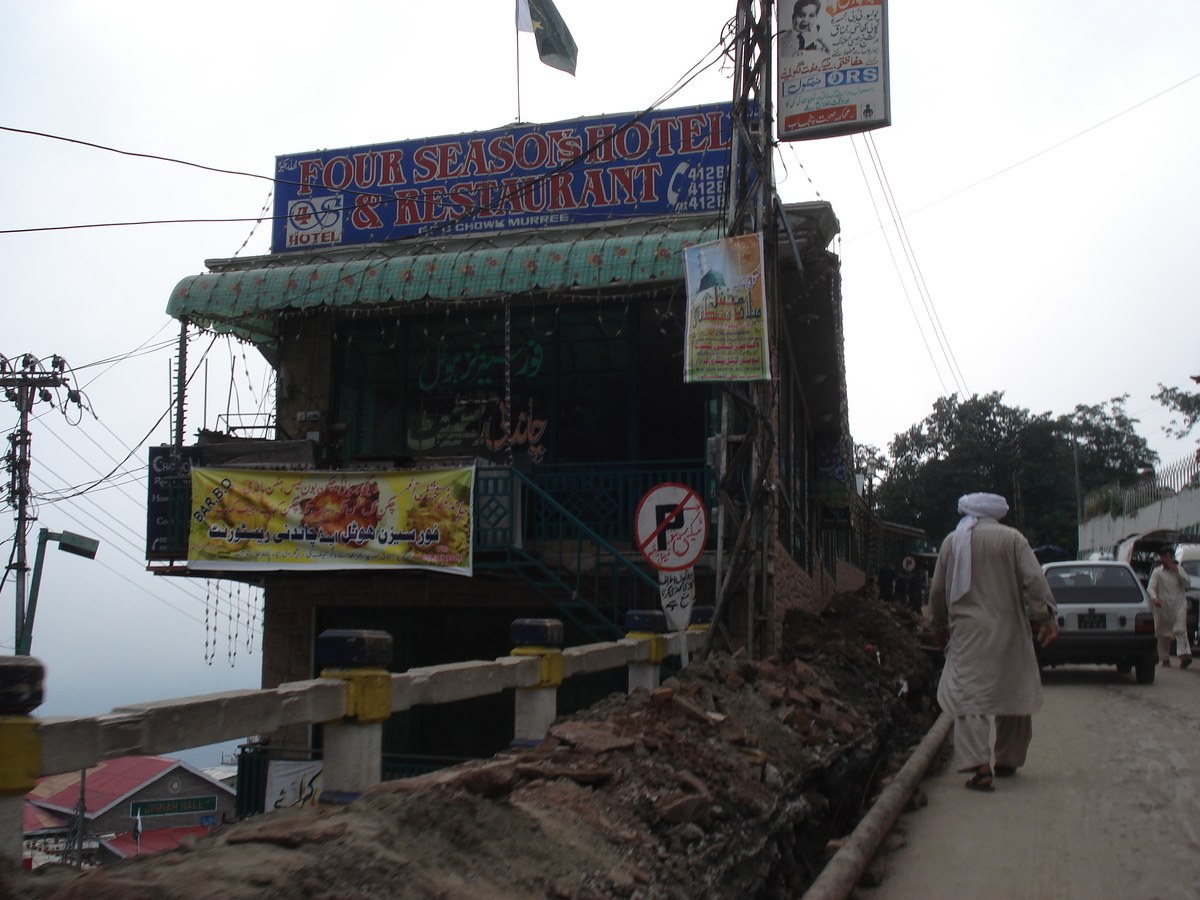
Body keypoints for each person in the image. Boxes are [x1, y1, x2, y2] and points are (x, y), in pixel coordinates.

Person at [929, 493, 1058, 792]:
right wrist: (1046, 617)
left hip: (968, 632)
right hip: (1009, 628)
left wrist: (938, 626)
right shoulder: (1013, 538)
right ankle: (1008, 759)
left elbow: (938, 592)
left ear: (967, 511)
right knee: (1013, 690)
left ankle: (979, 766)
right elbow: (1035, 580)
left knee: (968, 695)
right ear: (996, 513)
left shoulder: (953, 541)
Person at [1147, 547, 1192, 668]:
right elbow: (1151, 587)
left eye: (1170, 556)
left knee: (1180, 629)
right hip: (1163, 607)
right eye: (1166, 556)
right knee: (1163, 634)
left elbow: (1187, 584)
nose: (1168, 558)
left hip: (1179, 604)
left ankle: (1184, 655)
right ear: (1161, 558)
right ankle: (1165, 658)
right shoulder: (1158, 572)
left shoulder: (1179, 570)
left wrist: (1177, 571)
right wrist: (1155, 598)